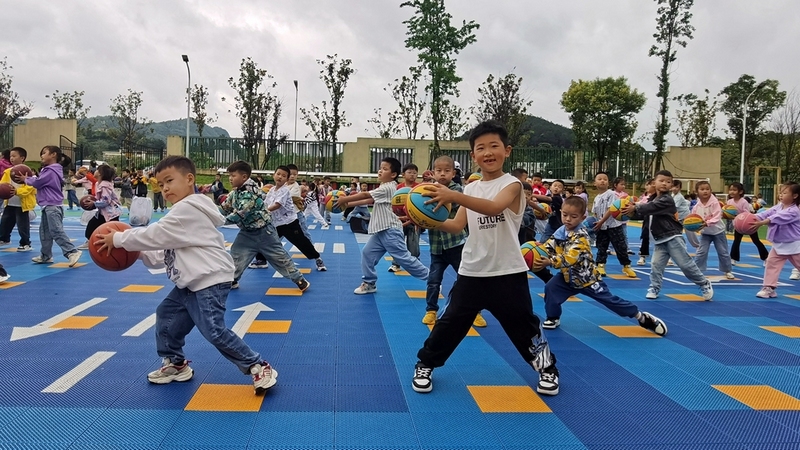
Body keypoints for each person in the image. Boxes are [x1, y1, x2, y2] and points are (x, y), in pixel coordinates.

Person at [95, 156, 277, 394]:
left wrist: (119, 239)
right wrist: (138, 253)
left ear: (190, 179)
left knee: (213, 328)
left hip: (209, 280)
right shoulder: (183, 213)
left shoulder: (188, 209)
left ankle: (257, 365)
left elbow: (155, 234)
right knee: (167, 316)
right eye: (161, 185)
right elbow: (165, 252)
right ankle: (176, 363)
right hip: (190, 282)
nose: (165, 188)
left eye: (170, 180)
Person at [412, 121, 559, 396]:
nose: (488, 152)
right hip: (472, 271)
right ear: (473, 156)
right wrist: (423, 219)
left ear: (507, 150)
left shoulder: (513, 184)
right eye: (481, 148)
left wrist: (453, 194)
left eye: (494, 146)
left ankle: (547, 369)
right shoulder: (471, 189)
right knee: (450, 323)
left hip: (507, 271)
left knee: (523, 326)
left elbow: (493, 207)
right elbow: (456, 226)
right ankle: (425, 364)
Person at [537, 196, 667, 335]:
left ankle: (641, 316)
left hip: (588, 279)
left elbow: (571, 257)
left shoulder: (581, 235)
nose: (568, 219)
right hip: (568, 277)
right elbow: (550, 245)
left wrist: (550, 261)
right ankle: (553, 317)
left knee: (610, 301)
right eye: (565, 215)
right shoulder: (561, 231)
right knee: (551, 288)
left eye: (573, 216)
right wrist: (539, 251)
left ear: (582, 217)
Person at [335, 157, 429, 294]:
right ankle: (369, 283)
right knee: (367, 254)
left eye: (385, 169)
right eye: (380, 168)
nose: (380, 171)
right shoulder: (384, 187)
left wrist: (345, 198)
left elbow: (366, 194)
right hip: (381, 230)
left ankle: (432, 279)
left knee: (405, 259)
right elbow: (370, 199)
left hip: (390, 231)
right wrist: (348, 204)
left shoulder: (389, 187)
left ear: (393, 175)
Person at [620, 170, 713, 300]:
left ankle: (704, 283)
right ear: (654, 183)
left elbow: (651, 207)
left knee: (685, 265)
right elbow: (644, 213)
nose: (664, 184)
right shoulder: (653, 199)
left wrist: (636, 206)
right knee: (656, 266)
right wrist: (629, 214)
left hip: (672, 237)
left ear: (671, 185)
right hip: (659, 239)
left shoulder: (666, 200)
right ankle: (654, 287)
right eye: (661, 181)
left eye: (668, 182)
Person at [220, 161, 311, 291]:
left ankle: (299, 279)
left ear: (244, 177)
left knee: (279, 257)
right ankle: (233, 279)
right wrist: (208, 212)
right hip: (247, 232)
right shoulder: (235, 193)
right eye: (230, 175)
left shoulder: (249, 193)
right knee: (237, 254)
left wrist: (217, 221)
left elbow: (239, 214)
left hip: (264, 232)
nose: (230, 178)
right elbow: (224, 208)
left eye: (233, 175)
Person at [423, 155, 486, 327]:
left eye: (447, 171)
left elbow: (461, 212)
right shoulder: (426, 191)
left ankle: (475, 312)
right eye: (439, 171)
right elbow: (423, 212)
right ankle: (431, 310)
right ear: (433, 173)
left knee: (466, 279)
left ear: (453, 173)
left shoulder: (458, 191)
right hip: (437, 247)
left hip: (457, 245)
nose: (442, 174)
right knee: (433, 280)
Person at [17, 146, 82, 266]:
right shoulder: (50, 170)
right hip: (48, 205)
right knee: (45, 232)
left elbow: (38, 183)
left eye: (44, 153)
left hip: (52, 206)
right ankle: (46, 255)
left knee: (56, 230)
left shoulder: (51, 171)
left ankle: (72, 251)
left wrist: (26, 179)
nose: (41, 155)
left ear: (53, 155)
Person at [264, 166, 327, 272]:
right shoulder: (271, 190)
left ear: (286, 179)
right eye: (278, 174)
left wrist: (265, 211)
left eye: (284, 176)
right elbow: (266, 203)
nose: (280, 177)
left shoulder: (285, 190)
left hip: (289, 223)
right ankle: (261, 260)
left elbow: (277, 205)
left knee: (301, 241)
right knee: (266, 240)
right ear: (273, 175)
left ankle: (317, 258)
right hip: (276, 223)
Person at [754, 182, 800, 298]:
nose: (781, 195)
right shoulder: (779, 206)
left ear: (794, 196)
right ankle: (769, 288)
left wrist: (762, 222)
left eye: (784, 193)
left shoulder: (795, 210)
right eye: (780, 193)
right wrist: (753, 218)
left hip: (794, 244)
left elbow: (778, 217)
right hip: (779, 244)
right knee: (771, 263)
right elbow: (767, 213)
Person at [592, 172, 636, 277]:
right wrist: (595, 223)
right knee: (602, 247)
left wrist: (601, 221)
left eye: (605, 179)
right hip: (602, 227)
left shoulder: (611, 194)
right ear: (594, 183)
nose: (602, 181)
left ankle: (626, 266)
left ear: (608, 183)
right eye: (599, 179)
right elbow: (595, 212)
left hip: (614, 226)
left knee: (621, 247)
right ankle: (601, 265)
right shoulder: (596, 198)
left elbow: (611, 210)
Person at [691, 181, 733, 279]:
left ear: (711, 191)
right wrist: (694, 226)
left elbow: (717, 216)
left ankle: (727, 270)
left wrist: (706, 223)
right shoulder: (697, 206)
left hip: (718, 232)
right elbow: (693, 217)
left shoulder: (715, 203)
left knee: (723, 252)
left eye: (707, 189)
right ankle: (697, 270)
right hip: (705, 233)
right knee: (701, 251)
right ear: (697, 191)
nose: (705, 191)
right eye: (702, 189)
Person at [78, 164, 123, 250]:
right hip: (104, 212)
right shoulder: (100, 184)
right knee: (92, 225)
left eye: (97, 170)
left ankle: (118, 242)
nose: (94, 171)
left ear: (100, 174)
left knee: (112, 229)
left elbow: (106, 201)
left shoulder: (104, 186)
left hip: (110, 213)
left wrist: (94, 203)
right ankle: (91, 241)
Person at [0, 147, 35, 251]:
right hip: (10, 202)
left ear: (22, 158)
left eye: (14, 156)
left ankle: (25, 243)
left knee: (22, 225)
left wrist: (17, 192)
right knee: (5, 222)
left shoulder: (27, 172)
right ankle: (4, 239)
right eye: (10, 156)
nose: (11, 158)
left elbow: (29, 187)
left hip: (22, 204)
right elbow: (3, 184)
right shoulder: (7, 171)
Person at [389, 163, 421, 273]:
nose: (412, 175)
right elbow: (392, 203)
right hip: (399, 219)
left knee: (413, 244)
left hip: (414, 219)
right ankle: (395, 264)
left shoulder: (419, 188)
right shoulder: (398, 188)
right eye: (409, 172)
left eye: (415, 173)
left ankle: (414, 263)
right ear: (403, 174)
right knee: (398, 242)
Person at [728, 182, 769, 266]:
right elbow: (728, 212)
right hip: (738, 226)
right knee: (736, 241)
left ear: (740, 192)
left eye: (734, 190)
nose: (732, 192)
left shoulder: (743, 202)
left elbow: (746, 214)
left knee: (756, 241)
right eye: (731, 190)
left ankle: (766, 258)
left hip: (748, 224)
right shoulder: (729, 201)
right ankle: (733, 258)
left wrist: (738, 217)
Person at [671, 179, 699, 250]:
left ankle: (698, 246)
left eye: (677, 187)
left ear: (680, 188)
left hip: (685, 217)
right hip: (678, 218)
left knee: (690, 234)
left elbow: (674, 207)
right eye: (673, 186)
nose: (675, 188)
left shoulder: (679, 197)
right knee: (676, 235)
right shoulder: (672, 195)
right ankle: (681, 249)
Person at [539, 179, 565, 243]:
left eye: (559, 187)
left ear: (562, 190)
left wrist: (532, 195)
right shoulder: (548, 196)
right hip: (551, 224)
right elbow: (539, 199)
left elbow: (547, 199)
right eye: (555, 185)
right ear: (550, 187)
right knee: (543, 241)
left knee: (559, 242)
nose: (556, 188)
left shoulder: (558, 198)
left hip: (559, 225)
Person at [636, 179, 655, 266]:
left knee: (662, 239)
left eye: (649, 184)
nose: (646, 186)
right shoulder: (647, 197)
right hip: (647, 220)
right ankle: (643, 256)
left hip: (658, 221)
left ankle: (668, 256)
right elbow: (641, 205)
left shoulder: (660, 197)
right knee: (645, 237)